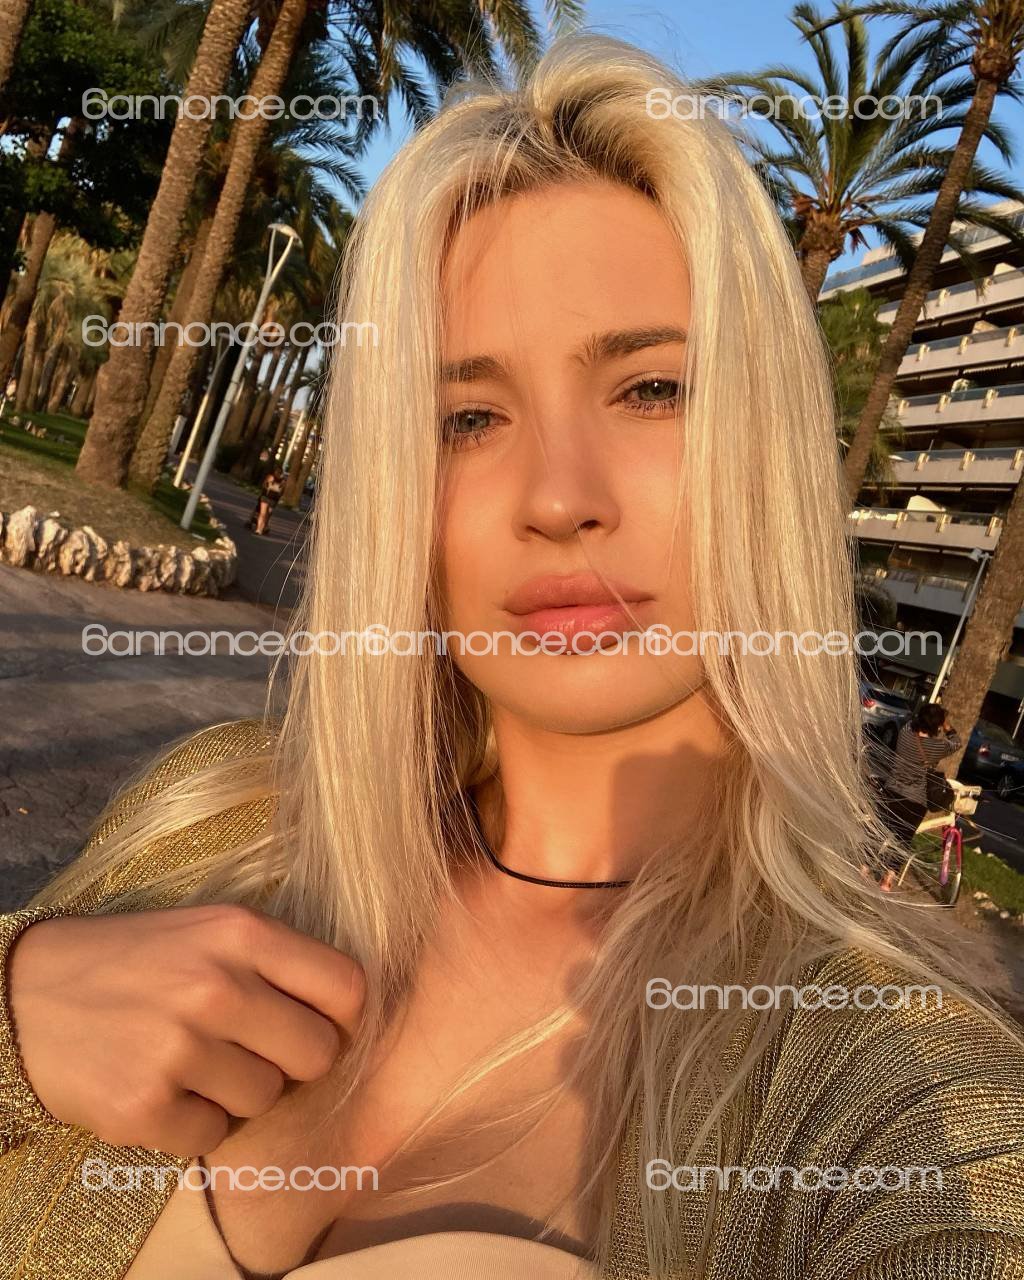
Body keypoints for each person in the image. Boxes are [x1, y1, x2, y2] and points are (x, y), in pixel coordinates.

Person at [1, 35, 1021, 1280]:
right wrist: (14, 1002)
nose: (555, 497)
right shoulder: (214, 818)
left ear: (764, 436)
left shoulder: (896, 1093)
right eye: (468, 417)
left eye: (650, 389)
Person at [874, 703, 962, 891]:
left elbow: (910, 721)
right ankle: (887, 880)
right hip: (915, 802)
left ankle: (864, 867)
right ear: (937, 726)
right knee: (903, 839)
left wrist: (924, 717)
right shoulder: (938, 747)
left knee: (878, 831)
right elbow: (957, 742)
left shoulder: (905, 734)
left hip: (892, 793)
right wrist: (947, 726)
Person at [249, 463, 285, 536]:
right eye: (277, 471)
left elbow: (281, 491)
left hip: (270, 498)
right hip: (269, 498)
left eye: (279, 472)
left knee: (265, 514)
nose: (277, 473)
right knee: (264, 514)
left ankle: (261, 528)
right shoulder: (275, 478)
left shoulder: (280, 480)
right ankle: (259, 529)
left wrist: (271, 487)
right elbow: (265, 485)